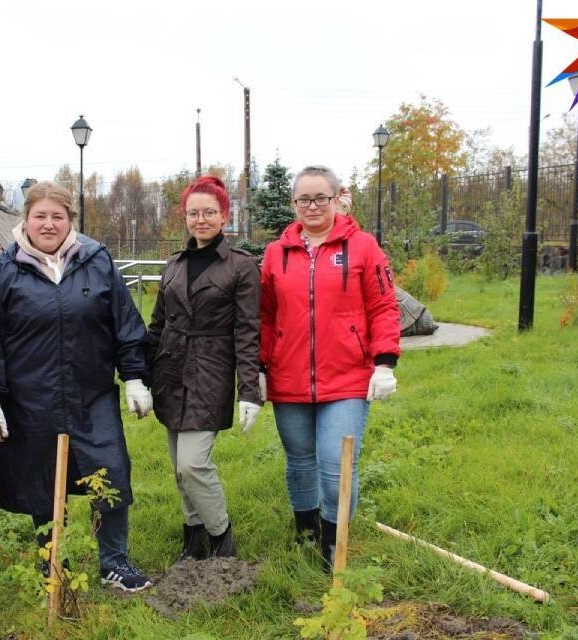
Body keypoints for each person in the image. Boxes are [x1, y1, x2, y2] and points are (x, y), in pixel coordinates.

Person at [0, 181, 154, 592]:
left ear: (70, 220)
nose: (48, 224)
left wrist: (135, 376)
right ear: (26, 220)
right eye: (40, 216)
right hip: (31, 399)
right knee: (42, 480)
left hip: (93, 396)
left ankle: (114, 561)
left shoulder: (96, 260)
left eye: (57, 216)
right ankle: (54, 561)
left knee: (111, 475)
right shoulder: (5, 268)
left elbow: (124, 322)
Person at [259, 165, 401, 567]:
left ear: (337, 199)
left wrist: (384, 362)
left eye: (321, 197)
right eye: (304, 199)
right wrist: (259, 366)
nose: (312, 206)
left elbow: (383, 306)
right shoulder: (275, 254)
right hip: (288, 377)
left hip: (348, 378)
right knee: (300, 461)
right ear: (294, 204)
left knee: (336, 462)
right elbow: (265, 315)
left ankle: (333, 543)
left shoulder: (364, 247)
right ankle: (306, 533)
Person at [147, 175, 262, 562]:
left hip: (211, 371)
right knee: (179, 469)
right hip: (170, 369)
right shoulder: (174, 265)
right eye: (194, 213)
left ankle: (221, 538)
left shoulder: (240, 266)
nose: (201, 219)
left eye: (209, 212)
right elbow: (157, 324)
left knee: (193, 464)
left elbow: (247, 331)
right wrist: (142, 377)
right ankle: (193, 539)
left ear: (224, 216)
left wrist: (250, 391)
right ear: (185, 217)